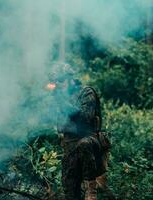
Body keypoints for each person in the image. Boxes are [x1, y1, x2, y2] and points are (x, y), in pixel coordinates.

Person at [46, 63, 113, 200]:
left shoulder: (86, 92)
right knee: (69, 190)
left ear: (70, 78)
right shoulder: (59, 96)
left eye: (61, 80)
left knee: (84, 144)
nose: (58, 84)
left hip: (90, 140)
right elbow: (54, 120)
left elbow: (85, 118)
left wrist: (62, 101)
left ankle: (91, 190)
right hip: (70, 146)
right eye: (56, 81)